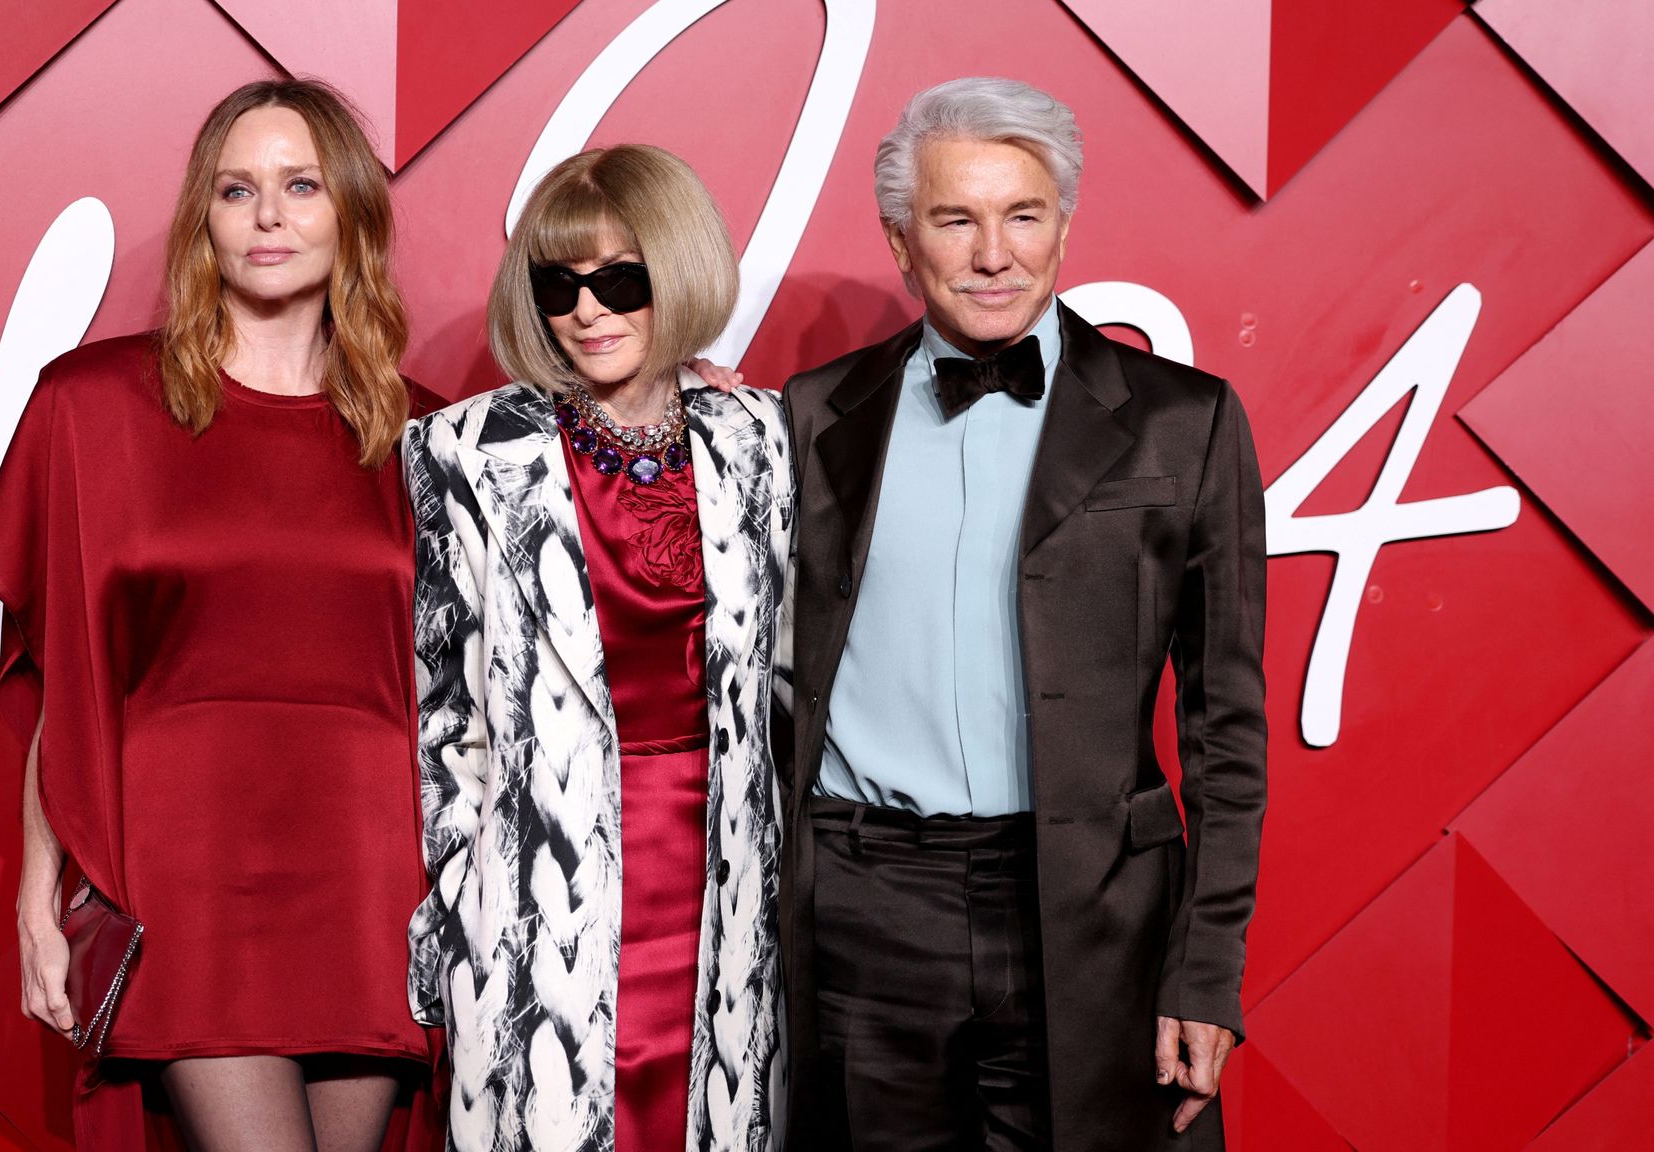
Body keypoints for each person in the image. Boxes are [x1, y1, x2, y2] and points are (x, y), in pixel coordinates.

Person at [777, 78, 1268, 1151]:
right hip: (864, 908)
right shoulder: (808, 416)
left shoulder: (1184, 422)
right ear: (901, 242)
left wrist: (1205, 968)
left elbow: (1223, 733)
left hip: (1090, 915)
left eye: (1022, 215)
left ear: (1061, 224)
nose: (992, 254)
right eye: (955, 220)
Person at [0, 77, 439, 1152]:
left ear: (352, 215)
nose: (267, 215)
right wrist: (38, 900)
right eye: (237, 190)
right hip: (185, 878)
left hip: (370, 875)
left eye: (300, 185)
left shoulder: (429, 436)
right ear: (204, 221)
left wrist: (689, 396)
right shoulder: (90, 409)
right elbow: (69, 679)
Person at [405, 144, 791, 1152]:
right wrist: (460, 922)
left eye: (620, 279)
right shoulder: (460, 453)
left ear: (678, 269)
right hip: (540, 899)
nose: (587, 310)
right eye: (559, 284)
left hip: (727, 894)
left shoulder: (765, 440)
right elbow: (439, 713)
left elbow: (796, 684)